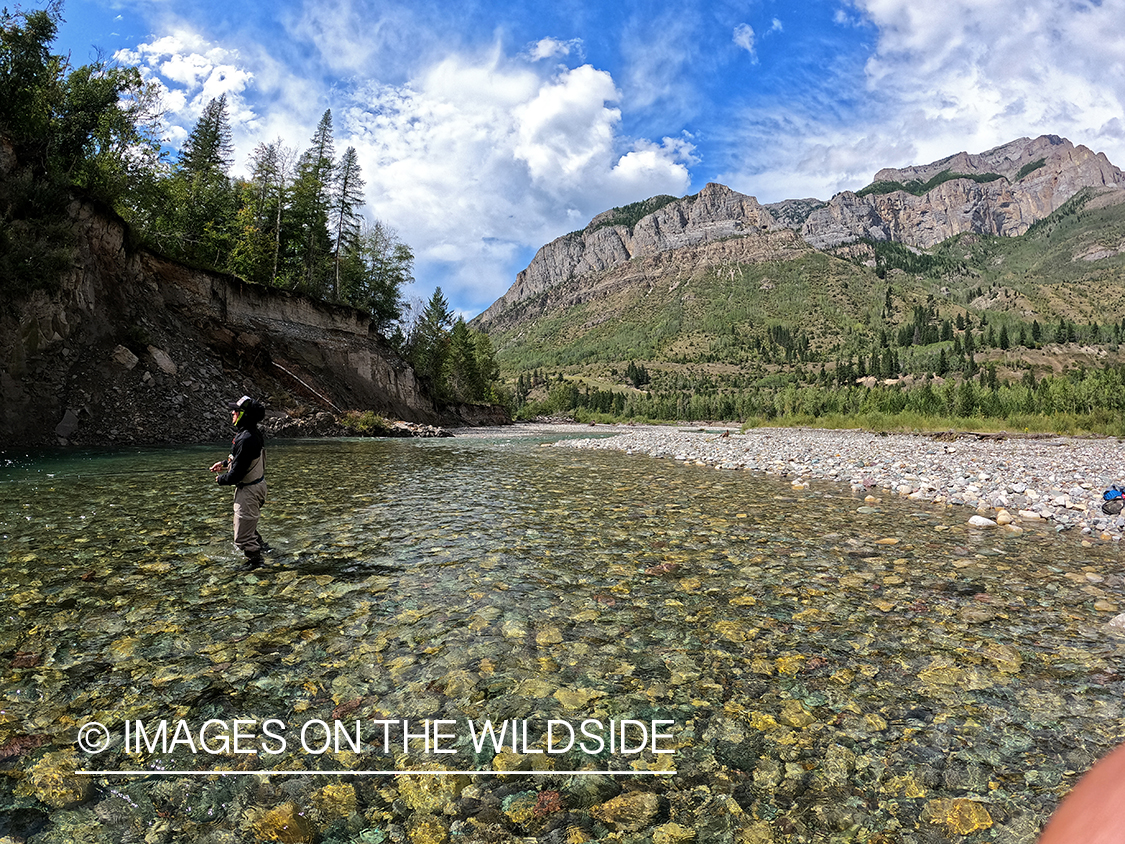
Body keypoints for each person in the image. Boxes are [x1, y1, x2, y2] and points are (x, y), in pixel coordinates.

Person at [209, 396, 270, 568]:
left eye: (235, 411)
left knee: (241, 538)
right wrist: (223, 464)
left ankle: (256, 562)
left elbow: (236, 475)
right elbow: (239, 459)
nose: (232, 413)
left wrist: (221, 479)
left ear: (244, 415)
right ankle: (263, 548)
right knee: (246, 524)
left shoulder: (246, 439)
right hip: (256, 487)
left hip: (249, 491)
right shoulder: (248, 434)